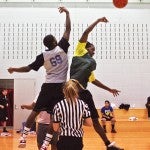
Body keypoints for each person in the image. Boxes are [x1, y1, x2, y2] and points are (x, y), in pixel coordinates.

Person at [7, 6, 71, 149]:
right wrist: (67, 13)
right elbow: (68, 30)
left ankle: (23, 138)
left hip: (47, 85)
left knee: (35, 111)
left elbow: (28, 68)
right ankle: (46, 142)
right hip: (60, 86)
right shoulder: (62, 48)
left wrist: (14, 69)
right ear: (55, 41)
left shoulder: (43, 56)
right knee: (56, 116)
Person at [70, 17, 123, 150]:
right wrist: (98, 20)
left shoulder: (90, 66)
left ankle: (108, 144)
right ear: (86, 48)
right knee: (71, 119)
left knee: (95, 120)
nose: (94, 52)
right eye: (92, 49)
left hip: (84, 92)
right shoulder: (79, 52)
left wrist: (109, 89)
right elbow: (85, 33)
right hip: (72, 90)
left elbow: (93, 80)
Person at [53, 79, 92, 150]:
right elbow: (89, 123)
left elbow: (55, 128)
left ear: (64, 91)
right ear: (76, 90)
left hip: (63, 139)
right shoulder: (83, 104)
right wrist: (78, 120)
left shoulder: (58, 105)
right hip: (77, 140)